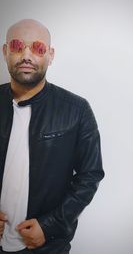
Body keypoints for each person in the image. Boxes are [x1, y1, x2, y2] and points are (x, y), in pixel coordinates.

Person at [0, 19, 104, 254]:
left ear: (50, 55)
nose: (27, 56)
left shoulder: (76, 110)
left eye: (37, 48)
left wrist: (50, 226)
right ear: (5, 52)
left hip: (47, 246)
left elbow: (90, 175)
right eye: (17, 46)